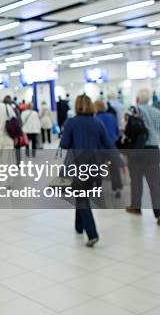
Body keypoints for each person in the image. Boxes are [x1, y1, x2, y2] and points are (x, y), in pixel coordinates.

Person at [60, 95, 126, 247]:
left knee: (82, 199)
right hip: (95, 167)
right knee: (82, 197)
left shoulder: (71, 123)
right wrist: (121, 163)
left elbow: (64, 144)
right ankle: (79, 226)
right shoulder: (98, 123)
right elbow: (109, 144)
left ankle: (92, 234)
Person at [126, 87, 160, 226]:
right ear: (149, 99)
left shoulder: (133, 111)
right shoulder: (157, 112)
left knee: (136, 181)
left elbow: (126, 131)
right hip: (154, 151)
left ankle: (136, 207)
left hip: (138, 152)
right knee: (155, 184)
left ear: (137, 99)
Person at [94, 99, 123, 197]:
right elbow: (117, 132)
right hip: (112, 147)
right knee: (114, 168)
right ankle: (117, 189)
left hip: (100, 149)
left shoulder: (95, 119)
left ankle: (97, 188)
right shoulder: (111, 117)